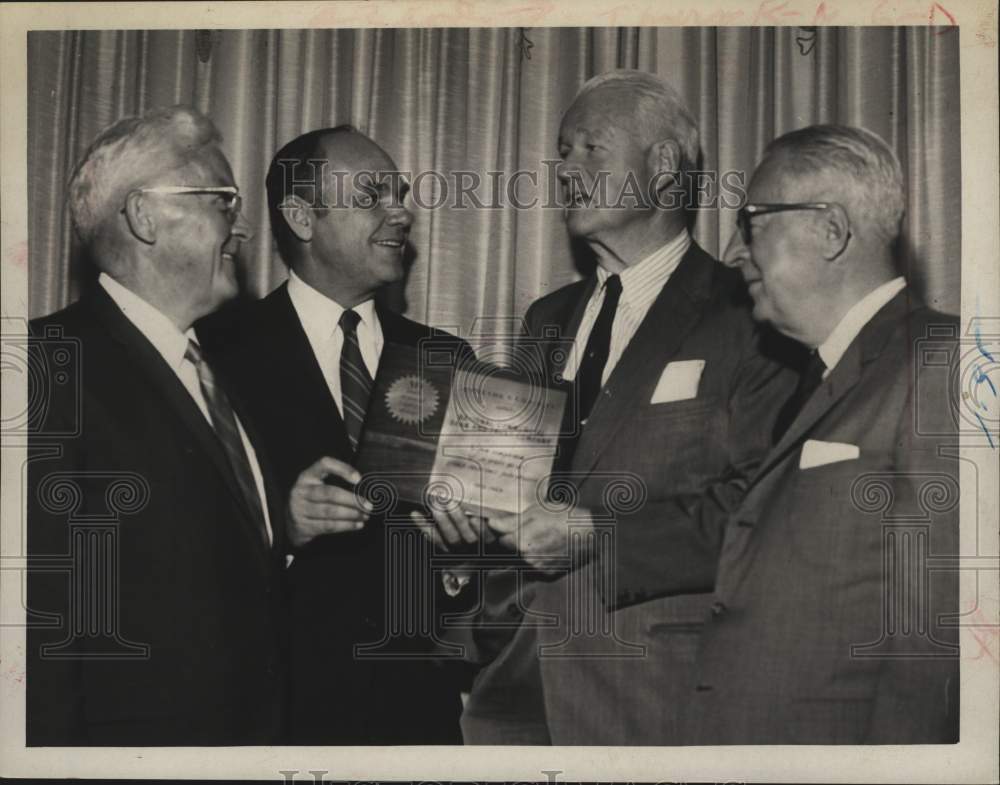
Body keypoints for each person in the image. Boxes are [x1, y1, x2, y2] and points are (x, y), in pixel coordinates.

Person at [429, 70, 798, 744]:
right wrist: (463, 535)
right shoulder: (547, 319)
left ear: (662, 166)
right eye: (562, 150)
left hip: (654, 694)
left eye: (589, 148)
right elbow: (512, 496)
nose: (563, 167)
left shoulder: (748, 313)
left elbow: (762, 515)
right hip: (510, 691)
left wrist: (599, 534)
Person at [683, 123, 958, 743]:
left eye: (752, 223)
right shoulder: (812, 379)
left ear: (831, 230)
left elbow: (937, 645)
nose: (733, 254)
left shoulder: (942, 363)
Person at [27, 106, 292, 744]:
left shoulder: (222, 374)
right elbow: (39, 623)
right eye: (223, 200)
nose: (244, 226)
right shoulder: (46, 368)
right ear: (144, 216)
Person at [198, 126, 472, 744]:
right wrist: (282, 533)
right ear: (301, 215)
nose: (401, 210)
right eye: (373, 194)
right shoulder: (216, 355)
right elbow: (180, 550)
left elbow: (476, 573)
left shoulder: (443, 357)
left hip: (418, 718)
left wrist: (461, 563)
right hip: (276, 718)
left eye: (398, 192)